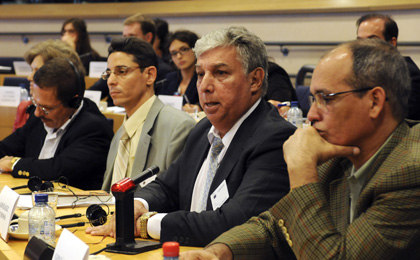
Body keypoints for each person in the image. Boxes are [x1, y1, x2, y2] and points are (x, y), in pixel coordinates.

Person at [181, 38, 420, 260]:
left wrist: (302, 169)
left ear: (375, 102)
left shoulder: (410, 172)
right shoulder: (340, 155)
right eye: (313, 99)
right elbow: (274, 227)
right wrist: (218, 252)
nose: (313, 115)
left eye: (327, 98)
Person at [86, 26, 295, 247]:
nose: (204, 86)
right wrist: (138, 204)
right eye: (200, 74)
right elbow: (166, 187)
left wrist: (147, 224)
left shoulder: (275, 139)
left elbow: (234, 223)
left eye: (220, 73)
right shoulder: (203, 130)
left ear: (254, 80)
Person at [0, 57, 113, 190]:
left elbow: (59, 169)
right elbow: (7, 147)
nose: (37, 113)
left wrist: (14, 164)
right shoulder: (38, 117)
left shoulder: (94, 128)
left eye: (46, 108)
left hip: (75, 205)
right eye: (35, 103)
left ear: (73, 102)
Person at [100, 37, 195, 192]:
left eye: (121, 72)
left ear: (149, 75)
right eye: (109, 73)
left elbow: (175, 197)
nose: (111, 81)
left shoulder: (178, 127)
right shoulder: (119, 135)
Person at [89, 13, 173, 106]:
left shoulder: (164, 71)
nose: (111, 81)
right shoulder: (115, 64)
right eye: (124, 36)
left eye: (122, 71)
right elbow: (94, 92)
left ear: (148, 37)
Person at [356, 13, 420, 120]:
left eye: (372, 39)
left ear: (391, 43)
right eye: (360, 40)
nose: (364, 45)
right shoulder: (358, 69)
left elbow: (399, 118)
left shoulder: (408, 73)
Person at [14, 40, 84, 131]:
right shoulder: (34, 112)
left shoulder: (87, 127)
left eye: (38, 71)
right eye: (31, 70)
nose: (29, 77)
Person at [156, 30, 201, 112]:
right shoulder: (168, 79)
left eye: (184, 49)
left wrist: (198, 108)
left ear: (195, 49)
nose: (179, 56)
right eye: (174, 53)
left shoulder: (204, 78)